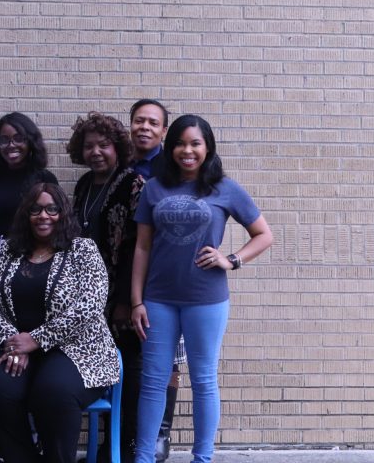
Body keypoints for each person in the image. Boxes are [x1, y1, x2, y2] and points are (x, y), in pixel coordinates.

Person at [130, 115, 274, 463]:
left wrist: (232, 260)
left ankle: (202, 458)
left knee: (204, 379)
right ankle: (144, 458)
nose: (187, 150)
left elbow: (264, 235)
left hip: (206, 299)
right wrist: (136, 301)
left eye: (195, 143)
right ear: (170, 146)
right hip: (159, 299)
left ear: (207, 147)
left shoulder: (224, 188)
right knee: (153, 381)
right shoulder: (154, 188)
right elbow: (142, 247)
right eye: (180, 143)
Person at [0, 183, 121, 463]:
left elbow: (90, 304)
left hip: (76, 350)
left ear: (63, 212)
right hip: (14, 346)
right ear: (26, 214)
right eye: (36, 209)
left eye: (52, 208)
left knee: (54, 392)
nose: (44, 215)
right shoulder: (8, 250)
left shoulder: (83, 250)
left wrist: (37, 339)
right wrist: (14, 341)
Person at [66, 112, 145, 463]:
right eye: (89, 146)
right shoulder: (83, 185)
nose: (95, 152)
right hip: (86, 294)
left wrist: (130, 299)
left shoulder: (133, 183)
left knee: (126, 373)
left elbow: (139, 246)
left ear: (119, 148)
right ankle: (102, 447)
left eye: (104, 145)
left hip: (121, 296)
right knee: (95, 370)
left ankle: (125, 446)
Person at [126, 99, 179, 463]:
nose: (144, 127)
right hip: (127, 274)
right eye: (138, 121)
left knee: (168, 360)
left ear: (164, 131)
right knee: (131, 359)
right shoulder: (121, 166)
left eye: (153, 123)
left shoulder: (173, 168)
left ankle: (161, 434)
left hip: (166, 281)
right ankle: (128, 438)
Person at [0, 112, 60, 261]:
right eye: (4, 140)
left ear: (30, 141)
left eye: (18, 139)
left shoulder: (45, 179)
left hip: (36, 257)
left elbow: (56, 222)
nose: (11, 145)